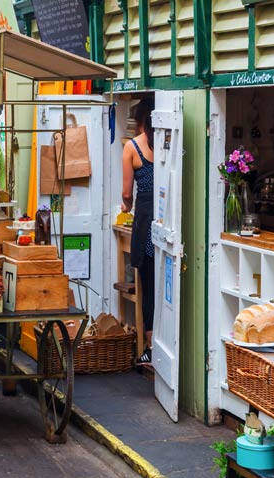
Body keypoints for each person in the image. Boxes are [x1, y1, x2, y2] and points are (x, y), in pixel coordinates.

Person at [121, 98, 155, 364]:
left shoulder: (132, 147)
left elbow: (126, 193)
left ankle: (151, 346)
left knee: (147, 283)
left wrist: (126, 205)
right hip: (166, 217)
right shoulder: (165, 145)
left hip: (144, 219)